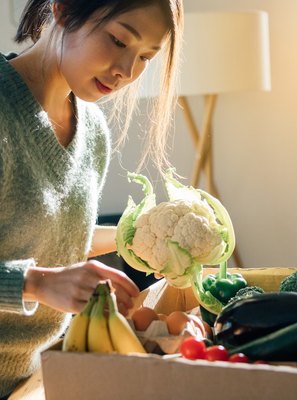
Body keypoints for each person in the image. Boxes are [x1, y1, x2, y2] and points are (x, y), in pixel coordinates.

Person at [0, 0, 183, 397]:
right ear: (63, 10)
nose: (128, 72)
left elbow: (56, 240)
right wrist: (36, 283)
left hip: (40, 378)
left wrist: (135, 237)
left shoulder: (93, 132)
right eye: (119, 40)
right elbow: (43, 272)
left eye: (146, 57)